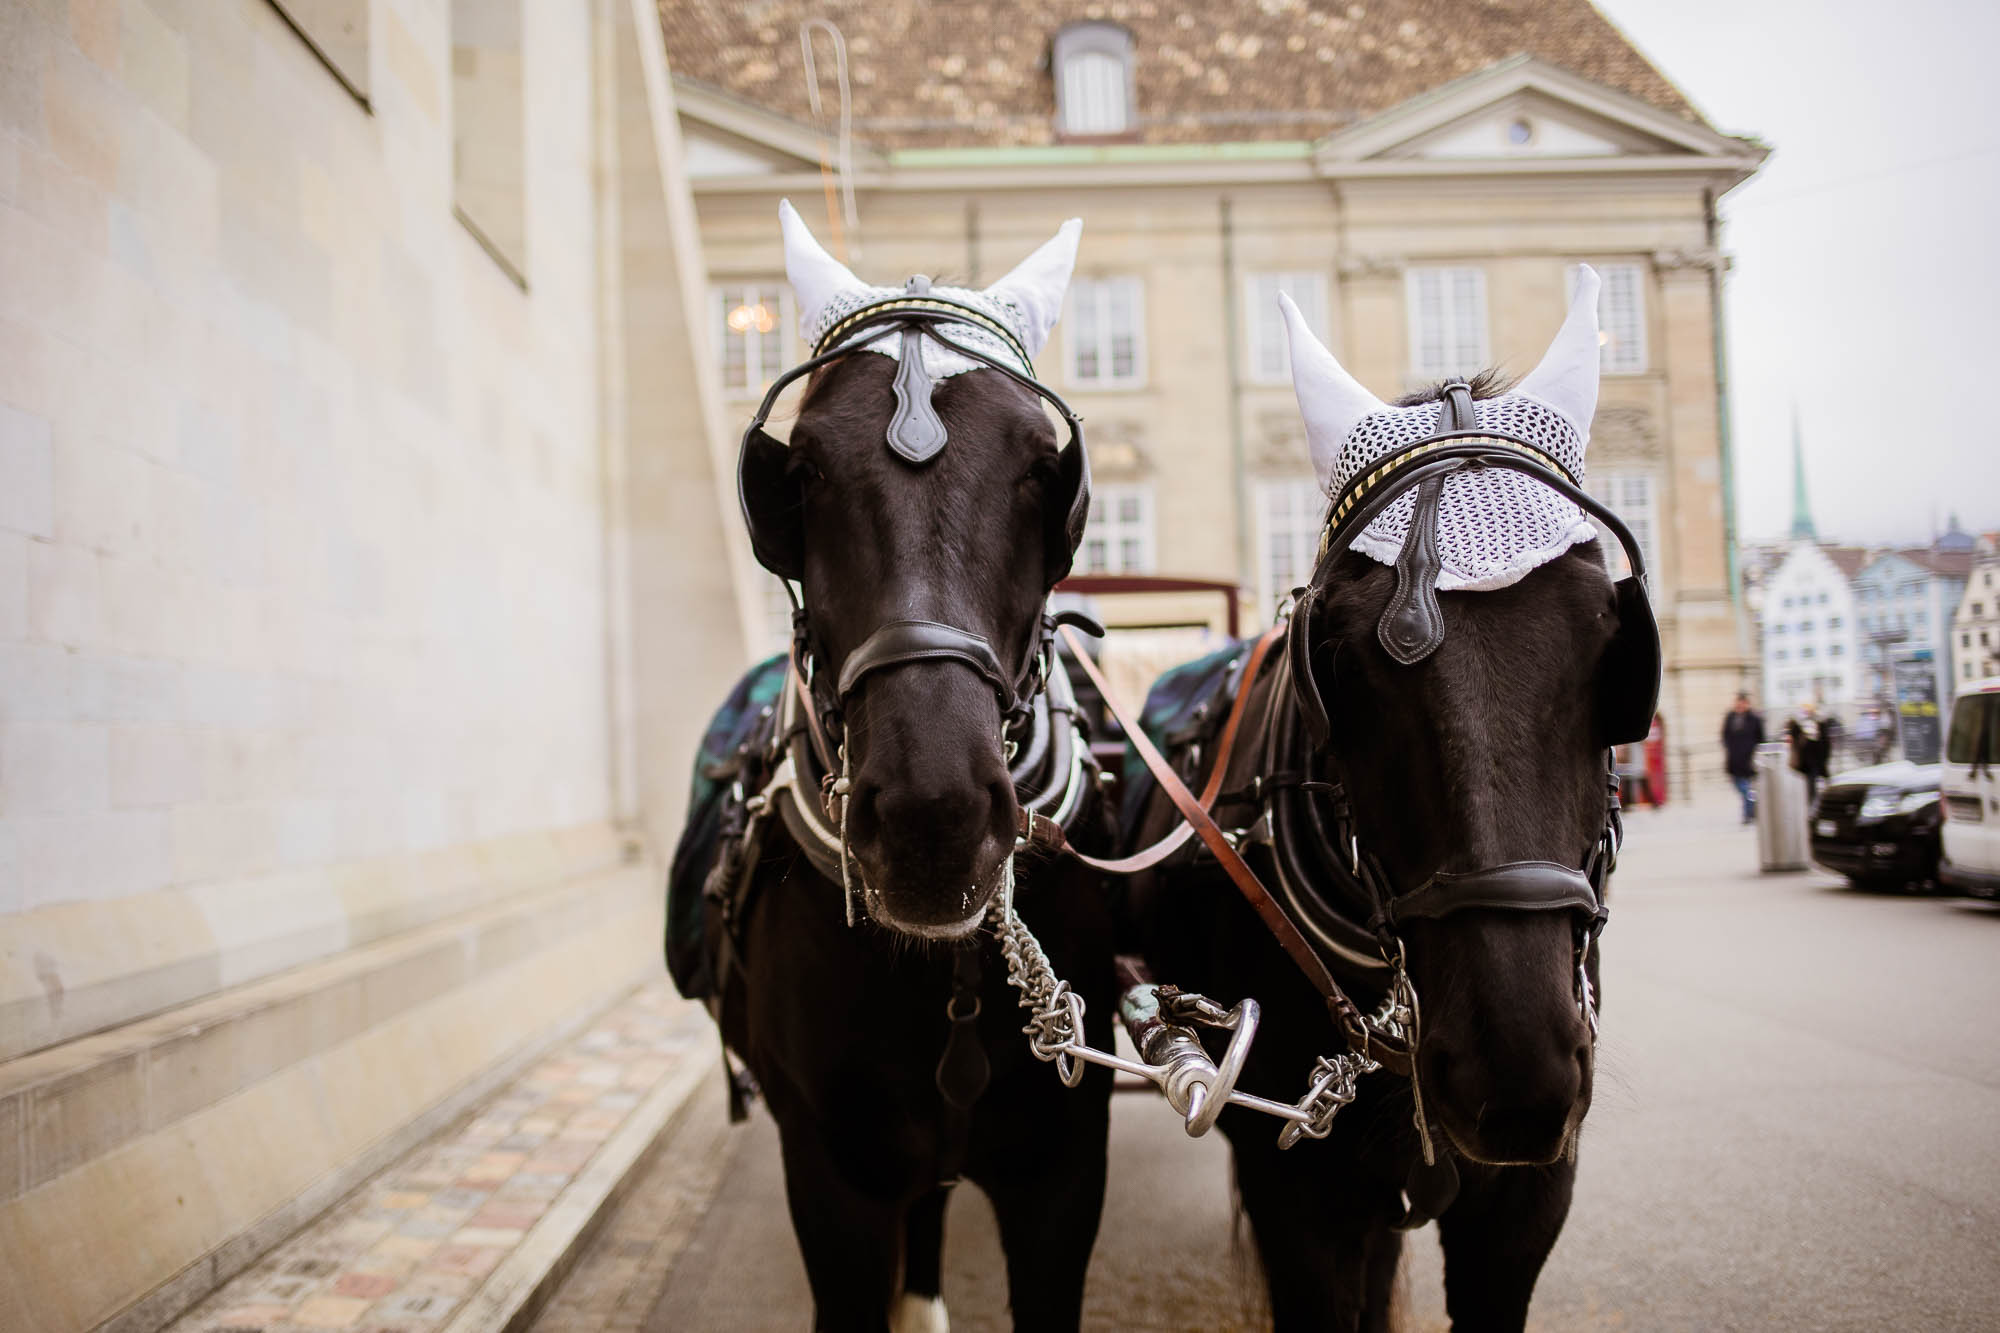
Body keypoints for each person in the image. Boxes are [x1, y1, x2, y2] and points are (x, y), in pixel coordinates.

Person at [1721, 692, 1764, 824]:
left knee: (1746, 788)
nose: (1739, 705)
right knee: (1740, 786)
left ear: (1747, 704)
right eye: (1738, 703)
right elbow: (1725, 735)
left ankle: (1747, 814)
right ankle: (1752, 808)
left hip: (1748, 759)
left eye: (1742, 703)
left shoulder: (1754, 718)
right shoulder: (1731, 717)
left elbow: (1761, 737)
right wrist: (1728, 747)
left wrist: (1754, 751)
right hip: (1734, 760)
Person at [1786, 703, 1833, 806]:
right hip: (1808, 762)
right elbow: (1794, 736)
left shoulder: (1820, 723)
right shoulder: (1799, 724)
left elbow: (1826, 742)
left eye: (1808, 709)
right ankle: (1814, 805)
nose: (1807, 712)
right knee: (1811, 786)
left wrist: (1825, 757)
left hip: (1818, 759)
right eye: (1805, 709)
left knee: (1823, 783)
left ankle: (1825, 803)